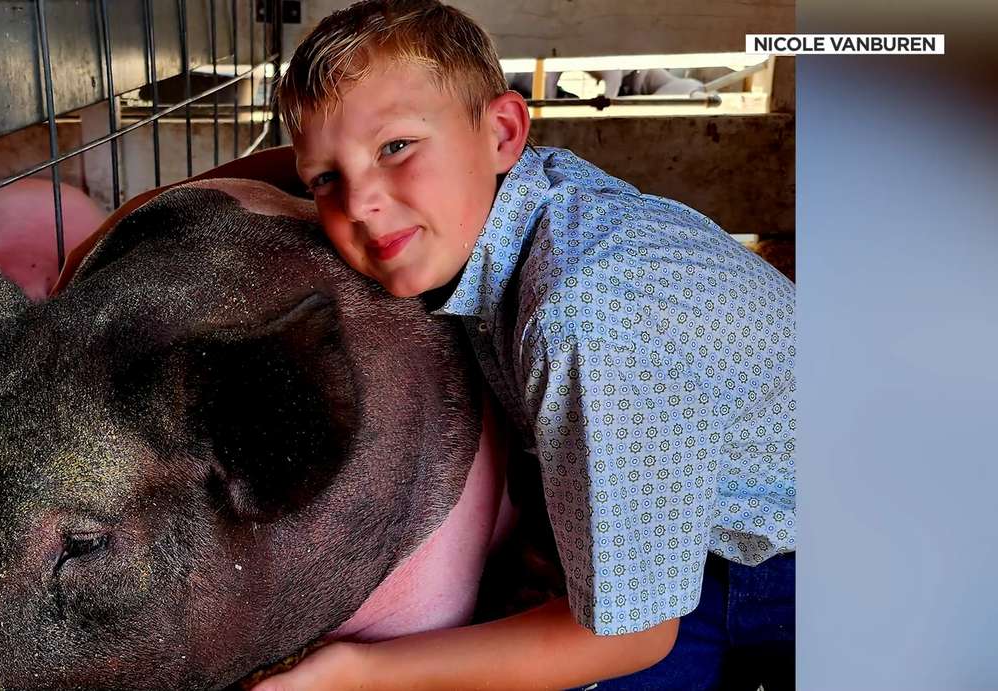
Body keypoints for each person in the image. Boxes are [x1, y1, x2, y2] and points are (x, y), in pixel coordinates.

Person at [251, 1, 795, 688]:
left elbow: (629, 636)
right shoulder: (532, 192)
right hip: (717, 522)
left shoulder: (585, 318)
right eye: (325, 179)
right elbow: (338, 155)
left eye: (396, 148)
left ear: (503, 131)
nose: (360, 202)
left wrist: (359, 672)